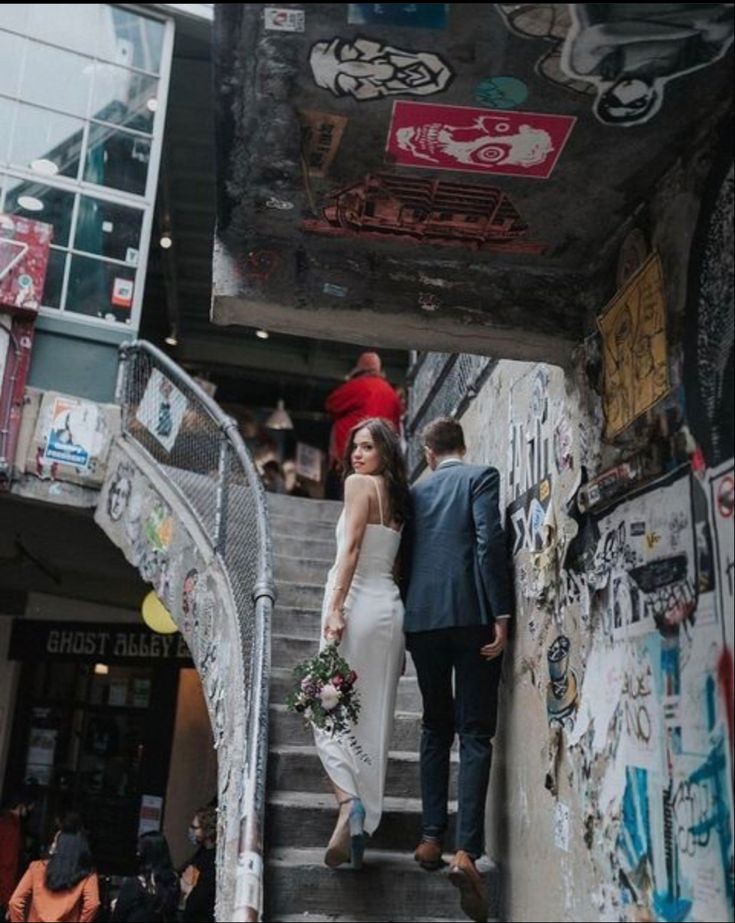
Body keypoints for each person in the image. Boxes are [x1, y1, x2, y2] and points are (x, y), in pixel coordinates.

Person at [403, 418, 511, 923]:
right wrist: (501, 615)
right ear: (463, 447)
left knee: (433, 724)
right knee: (474, 732)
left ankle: (429, 838)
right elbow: (489, 542)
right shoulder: (480, 476)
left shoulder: (415, 491)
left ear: (428, 452)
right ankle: (465, 851)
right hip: (471, 617)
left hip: (422, 621)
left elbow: (403, 557)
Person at [314, 418, 410, 869]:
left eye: (367, 447)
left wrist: (335, 607)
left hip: (355, 606)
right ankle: (360, 826)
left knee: (323, 706)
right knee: (372, 720)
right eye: (354, 447)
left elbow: (350, 549)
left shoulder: (359, 485)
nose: (356, 455)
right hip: (389, 614)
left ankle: (347, 802)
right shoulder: (400, 496)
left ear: (384, 452)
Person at [325, 352, 402, 500]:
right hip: (380, 465)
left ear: (360, 371)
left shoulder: (359, 385)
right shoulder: (392, 395)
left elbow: (331, 403)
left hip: (350, 462)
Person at [8, 830, 99, 923]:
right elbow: (93, 904)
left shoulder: (37, 867)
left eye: (55, 842)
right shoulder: (88, 874)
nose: (52, 845)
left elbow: (14, 902)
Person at [111, 831, 178, 922]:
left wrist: (115, 907)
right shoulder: (172, 882)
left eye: (139, 851)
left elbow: (118, 918)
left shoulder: (133, 884)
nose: (137, 854)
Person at [0, 789, 36, 919]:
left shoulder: (4, 821)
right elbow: (7, 866)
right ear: (21, 805)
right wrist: (8, 900)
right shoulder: (12, 827)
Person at [180, 806, 216, 923]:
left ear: (206, 830)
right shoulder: (202, 852)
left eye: (195, 828)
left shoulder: (211, 859)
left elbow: (201, 895)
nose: (191, 831)